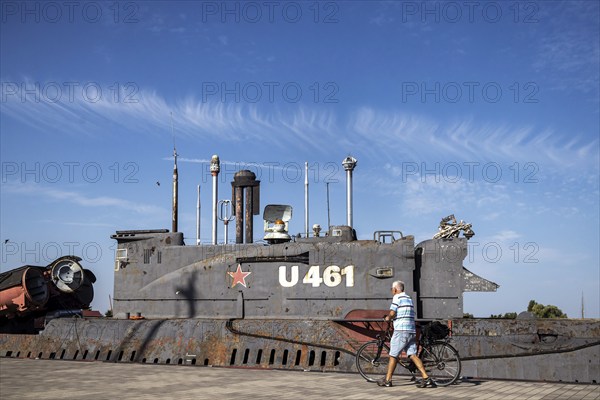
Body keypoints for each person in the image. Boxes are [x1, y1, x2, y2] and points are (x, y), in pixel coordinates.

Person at [376, 280, 436, 388]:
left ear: (395, 289)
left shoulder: (397, 298)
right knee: (412, 355)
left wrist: (387, 318)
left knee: (393, 355)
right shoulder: (409, 298)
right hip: (411, 331)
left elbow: (393, 313)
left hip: (401, 331)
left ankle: (388, 380)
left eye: (391, 289)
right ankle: (426, 378)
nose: (391, 291)